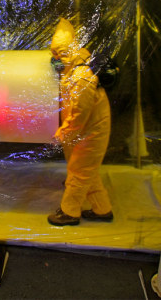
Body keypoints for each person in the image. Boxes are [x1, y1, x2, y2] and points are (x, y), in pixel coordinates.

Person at [47, 18, 114, 226]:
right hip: (83, 130)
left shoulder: (81, 75)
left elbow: (80, 112)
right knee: (87, 170)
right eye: (54, 53)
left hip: (91, 131)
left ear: (71, 50)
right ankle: (102, 209)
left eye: (60, 53)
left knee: (79, 171)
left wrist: (64, 133)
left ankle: (70, 212)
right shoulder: (71, 71)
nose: (56, 58)